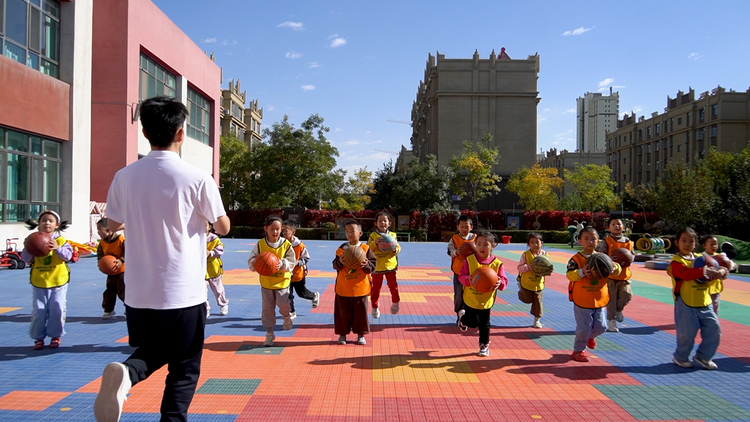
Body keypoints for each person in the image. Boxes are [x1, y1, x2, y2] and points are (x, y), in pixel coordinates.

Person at [94, 96, 230, 422]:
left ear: (144, 131)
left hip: (139, 291)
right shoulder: (197, 178)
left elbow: (112, 226)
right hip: (183, 290)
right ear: (181, 134)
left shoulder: (124, 176)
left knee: (152, 352)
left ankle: (127, 374)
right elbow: (223, 227)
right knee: (184, 367)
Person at [669, 228, 727, 369]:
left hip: (705, 302)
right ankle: (681, 357)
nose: (687, 244)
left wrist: (721, 271)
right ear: (677, 242)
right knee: (686, 334)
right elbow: (684, 273)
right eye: (683, 241)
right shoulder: (676, 261)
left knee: (714, 330)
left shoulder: (703, 259)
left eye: (691, 241)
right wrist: (703, 271)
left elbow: (720, 269)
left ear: (696, 244)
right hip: (686, 303)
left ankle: (703, 357)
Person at [566, 227, 621, 362]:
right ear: (580, 241)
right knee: (583, 327)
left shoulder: (603, 258)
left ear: (598, 241)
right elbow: (569, 275)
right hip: (582, 299)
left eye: (593, 239)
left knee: (602, 326)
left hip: (599, 298)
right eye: (586, 239)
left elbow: (617, 270)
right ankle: (578, 350)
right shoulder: (576, 259)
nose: (590, 241)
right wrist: (582, 272)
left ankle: (590, 337)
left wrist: (615, 268)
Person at [21, 210, 74, 350]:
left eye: (50, 220)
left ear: (57, 225)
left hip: (58, 281)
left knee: (57, 309)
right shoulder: (33, 240)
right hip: (40, 281)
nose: (47, 223)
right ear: (38, 224)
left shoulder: (61, 241)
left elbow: (68, 256)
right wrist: (27, 248)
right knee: (39, 311)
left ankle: (55, 335)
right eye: (44, 220)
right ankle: (38, 338)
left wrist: (57, 249)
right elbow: (26, 260)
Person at [456, 231, 509, 357]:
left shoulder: (497, 264)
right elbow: (461, 276)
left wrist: (499, 283)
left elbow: (504, 280)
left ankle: (484, 345)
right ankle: (463, 318)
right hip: (471, 299)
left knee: (484, 324)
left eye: (486, 244)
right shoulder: (469, 261)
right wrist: (467, 280)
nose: (482, 247)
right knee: (472, 323)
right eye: (479, 244)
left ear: (492, 246)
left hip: (486, 300)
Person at [247, 215, 296, 347]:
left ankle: (286, 316)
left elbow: (292, 261)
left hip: (282, 282)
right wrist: (255, 264)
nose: (275, 232)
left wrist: (283, 263)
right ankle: (269, 334)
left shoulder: (286, 245)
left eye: (278, 229)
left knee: (283, 304)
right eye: (272, 229)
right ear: (266, 229)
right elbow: (252, 259)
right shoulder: (260, 244)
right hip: (266, 283)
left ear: (282, 230)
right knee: (267, 310)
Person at [333, 220, 377, 345]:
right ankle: (342, 335)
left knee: (360, 314)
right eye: (347, 231)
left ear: (360, 233)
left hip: (360, 288)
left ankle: (360, 335)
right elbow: (335, 265)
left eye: (352, 231)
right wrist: (340, 262)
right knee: (342, 314)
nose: (349, 234)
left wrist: (366, 265)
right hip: (343, 287)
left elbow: (373, 266)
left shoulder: (365, 248)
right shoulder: (342, 248)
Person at [596, 217, 634, 332]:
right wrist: (607, 261)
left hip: (624, 275)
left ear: (623, 227)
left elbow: (632, 255)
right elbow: (602, 254)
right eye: (613, 224)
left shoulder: (628, 242)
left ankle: (619, 309)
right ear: (609, 228)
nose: (616, 226)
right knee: (611, 299)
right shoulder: (607, 242)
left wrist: (629, 258)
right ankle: (611, 321)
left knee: (627, 294)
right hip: (611, 276)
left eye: (619, 224)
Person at [282, 220, 320, 318]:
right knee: (287, 294)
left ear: (293, 232)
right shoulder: (281, 243)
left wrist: (297, 263)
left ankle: (314, 295)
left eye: (286, 231)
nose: (283, 233)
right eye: (283, 231)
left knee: (302, 293)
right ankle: (292, 311)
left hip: (298, 274)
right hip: (286, 274)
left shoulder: (299, 245)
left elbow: (306, 258)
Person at [367, 211, 401, 318]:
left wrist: (396, 249)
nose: (383, 223)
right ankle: (374, 307)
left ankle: (395, 303)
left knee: (393, 287)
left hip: (390, 266)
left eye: (385, 221)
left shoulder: (392, 235)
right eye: (380, 221)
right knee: (375, 289)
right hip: (377, 267)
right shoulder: (373, 236)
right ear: (376, 223)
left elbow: (398, 247)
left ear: (389, 223)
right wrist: (375, 243)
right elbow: (368, 249)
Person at [516, 232, 552, 328]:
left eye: (537, 242)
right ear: (528, 244)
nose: (535, 244)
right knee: (527, 300)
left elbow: (548, 266)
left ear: (542, 243)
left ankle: (536, 320)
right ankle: (521, 293)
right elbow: (519, 267)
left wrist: (549, 271)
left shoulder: (545, 255)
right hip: (526, 283)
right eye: (532, 242)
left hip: (538, 284)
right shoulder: (526, 255)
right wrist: (528, 267)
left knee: (538, 303)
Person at [447, 215, 476, 323]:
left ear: (471, 227)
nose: (464, 229)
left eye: (466, 227)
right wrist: (456, 252)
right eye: (462, 227)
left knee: (472, 293)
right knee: (459, 293)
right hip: (459, 271)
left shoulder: (475, 238)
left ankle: (471, 314)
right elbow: (449, 251)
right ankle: (460, 313)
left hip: (473, 271)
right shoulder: (454, 239)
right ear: (458, 227)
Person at [96, 218, 125, 320]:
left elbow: (127, 252)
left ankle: (129, 308)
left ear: (108, 230)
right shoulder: (103, 243)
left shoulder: (121, 240)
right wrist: (101, 262)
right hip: (111, 272)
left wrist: (121, 260)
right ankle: (108, 310)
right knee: (109, 292)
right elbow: (100, 253)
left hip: (122, 272)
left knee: (123, 291)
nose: (98, 233)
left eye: (100, 230)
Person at [700, 234, 736, 316]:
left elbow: (732, 265)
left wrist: (730, 266)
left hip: (715, 289)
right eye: (711, 244)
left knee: (714, 308)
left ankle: (713, 322)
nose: (714, 246)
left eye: (716, 244)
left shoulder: (721, 257)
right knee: (702, 307)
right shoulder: (701, 257)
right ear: (704, 245)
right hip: (703, 288)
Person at [205, 221, 228, 317]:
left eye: (205, 225)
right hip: (201, 270)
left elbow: (220, 249)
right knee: (202, 291)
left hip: (214, 269)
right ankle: (205, 309)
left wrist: (210, 252)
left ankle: (223, 304)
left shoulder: (214, 238)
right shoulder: (196, 237)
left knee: (218, 290)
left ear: (209, 227)